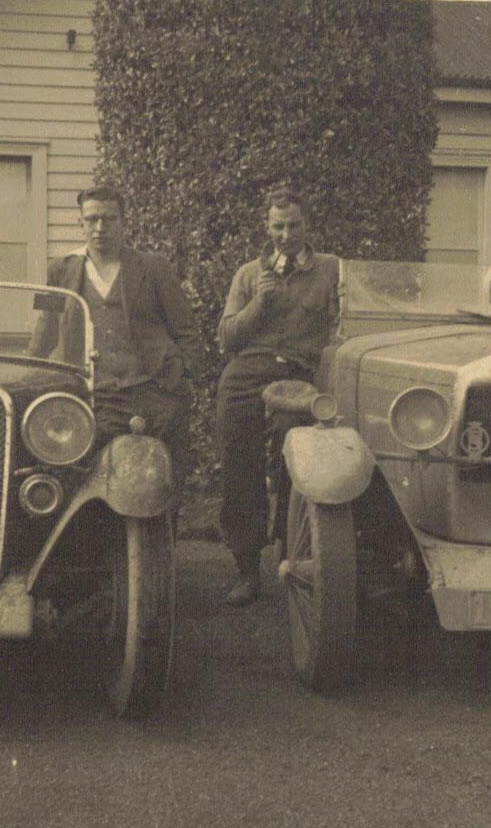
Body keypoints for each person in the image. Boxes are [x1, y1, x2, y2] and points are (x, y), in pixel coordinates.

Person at [35, 186, 201, 508]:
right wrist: (28, 376)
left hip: (153, 391)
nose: (100, 228)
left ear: (124, 221)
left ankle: (160, 550)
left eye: (109, 219)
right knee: (73, 466)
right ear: (79, 223)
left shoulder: (154, 267)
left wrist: (183, 377)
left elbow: (186, 329)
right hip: (95, 394)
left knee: (164, 478)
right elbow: (44, 333)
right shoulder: (59, 270)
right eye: (92, 219)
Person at [216, 186, 340, 606]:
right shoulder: (250, 274)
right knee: (238, 458)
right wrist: (258, 304)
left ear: (308, 225)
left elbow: (342, 331)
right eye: (277, 226)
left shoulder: (331, 271)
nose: (285, 235)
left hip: (299, 374)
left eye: (293, 226)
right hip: (248, 369)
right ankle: (246, 567)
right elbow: (227, 338)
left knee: (299, 452)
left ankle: (294, 553)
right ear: (266, 227)